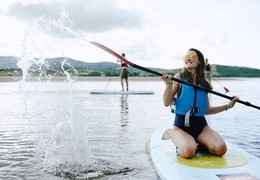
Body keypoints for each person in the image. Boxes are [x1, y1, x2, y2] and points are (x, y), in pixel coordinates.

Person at [161, 48, 239, 158]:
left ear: (200, 61)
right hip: (180, 127)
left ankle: (199, 142)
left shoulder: (204, 83)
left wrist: (228, 106)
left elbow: (206, 110)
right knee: (189, 151)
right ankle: (181, 145)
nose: (188, 59)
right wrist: (168, 85)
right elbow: (166, 102)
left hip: (201, 127)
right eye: (185, 57)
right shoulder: (179, 77)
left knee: (221, 149)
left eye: (192, 56)